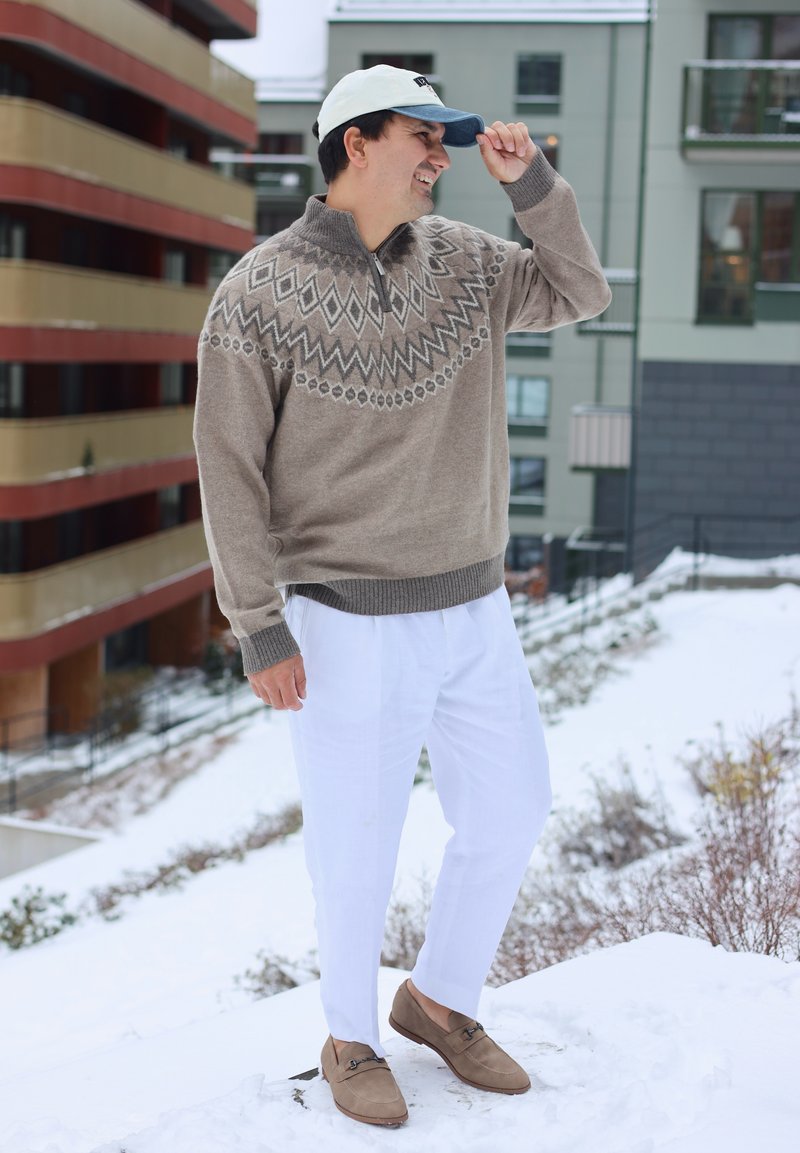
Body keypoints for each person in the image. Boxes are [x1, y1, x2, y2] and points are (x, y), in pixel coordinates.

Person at [194, 64, 611, 1128]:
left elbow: (577, 292)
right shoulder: (256, 293)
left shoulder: (468, 263)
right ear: (354, 142)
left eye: (445, 137)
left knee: (511, 804)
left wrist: (534, 188)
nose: (440, 154)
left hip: (472, 607)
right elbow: (227, 466)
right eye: (422, 135)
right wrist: (257, 624)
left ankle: (437, 1001)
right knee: (356, 842)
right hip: (341, 622)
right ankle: (347, 1037)